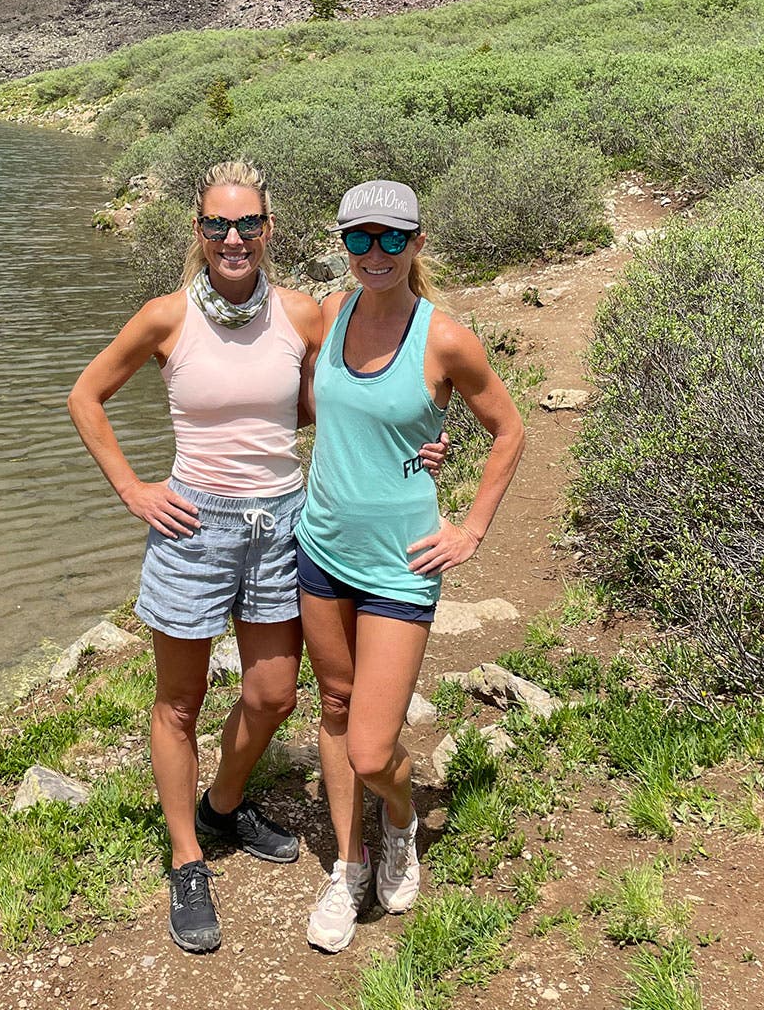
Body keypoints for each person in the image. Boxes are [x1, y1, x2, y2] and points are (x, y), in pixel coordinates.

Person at [66, 160, 445, 956]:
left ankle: (222, 802)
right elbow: (84, 395)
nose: (233, 238)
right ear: (199, 234)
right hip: (192, 526)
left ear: (269, 230)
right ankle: (187, 857)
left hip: (282, 524)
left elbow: (339, 400)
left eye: (247, 225)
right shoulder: (164, 318)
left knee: (274, 695)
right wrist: (135, 490)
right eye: (217, 225)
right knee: (179, 703)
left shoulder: (303, 314)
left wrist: (417, 443)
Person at [296, 179, 526, 953]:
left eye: (391, 238)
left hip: (400, 563)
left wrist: (471, 530)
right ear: (342, 245)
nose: (374, 253)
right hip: (320, 549)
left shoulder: (446, 338)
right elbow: (305, 398)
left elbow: (509, 429)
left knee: (370, 746)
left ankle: (400, 817)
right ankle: (348, 868)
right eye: (359, 238)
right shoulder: (329, 314)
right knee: (333, 706)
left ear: (417, 243)